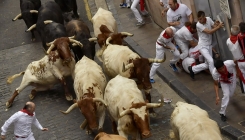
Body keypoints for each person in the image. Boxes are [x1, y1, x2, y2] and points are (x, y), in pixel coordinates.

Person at [188, 11, 224, 79]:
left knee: (207, 64)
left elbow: (214, 26)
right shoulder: (198, 25)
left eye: (201, 19)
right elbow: (209, 32)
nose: (199, 20)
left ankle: (192, 69)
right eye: (198, 19)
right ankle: (216, 79)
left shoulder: (208, 19)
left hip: (209, 45)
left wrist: (217, 24)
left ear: (204, 17)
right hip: (202, 46)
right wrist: (218, 27)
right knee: (211, 61)